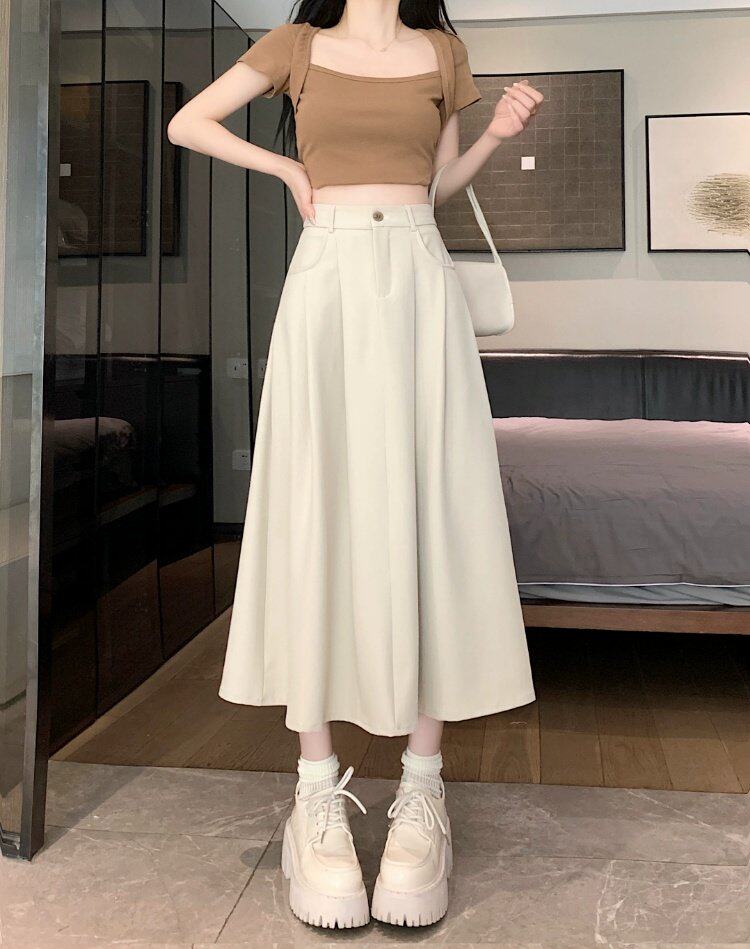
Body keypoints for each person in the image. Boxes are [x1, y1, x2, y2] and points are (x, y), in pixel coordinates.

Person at [167, 0, 542, 931]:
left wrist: (495, 134)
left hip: (418, 276)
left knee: (431, 505)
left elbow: (435, 186)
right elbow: (188, 122)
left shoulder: (444, 52)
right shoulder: (295, 45)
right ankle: (314, 793)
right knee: (318, 504)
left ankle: (423, 788)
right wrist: (287, 166)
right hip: (327, 275)